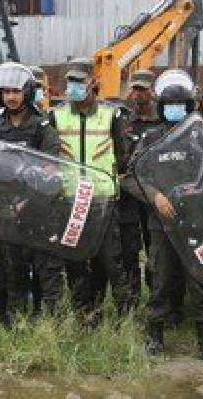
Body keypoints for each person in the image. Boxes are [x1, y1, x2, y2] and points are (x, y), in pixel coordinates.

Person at [121, 69, 203, 364]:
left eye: (180, 105)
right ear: (161, 107)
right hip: (162, 224)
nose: (174, 110)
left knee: (200, 281)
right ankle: (155, 339)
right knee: (161, 280)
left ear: (188, 107)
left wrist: (202, 196)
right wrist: (155, 196)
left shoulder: (200, 135)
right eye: (169, 105)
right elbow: (131, 176)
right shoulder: (151, 137)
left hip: (196, 222)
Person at [53, 58, 132, 322]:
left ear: (92, 82)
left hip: (102, 199)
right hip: (70, 199)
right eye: (70, 81)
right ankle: (84, 315)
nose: (73, 86)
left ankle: (125, 316)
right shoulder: (56, 115)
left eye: (79, 81)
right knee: (74, 261)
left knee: (111, 260)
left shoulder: (111, 115)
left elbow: (122, 156)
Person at [0, 62, 64, 324]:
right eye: (6, 91)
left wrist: (28, 197)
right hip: (9, 213)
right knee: (12, 269)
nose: (10, 97)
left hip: (40, 211)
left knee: (47, 271)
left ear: (27, 92)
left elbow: (51, 168)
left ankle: (50, 323)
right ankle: (15, 321)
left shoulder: (43, 127)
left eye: (16, 91)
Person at [117, 69, 159, 301]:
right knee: (129, 250)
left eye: (142, 89)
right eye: (134, 88)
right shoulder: (124, 122)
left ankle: (157, 296)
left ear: (152, 92)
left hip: (153, 197)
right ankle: (131, 300)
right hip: (129, 197)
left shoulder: (160, 121)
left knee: (156, 250)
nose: (137, 94)